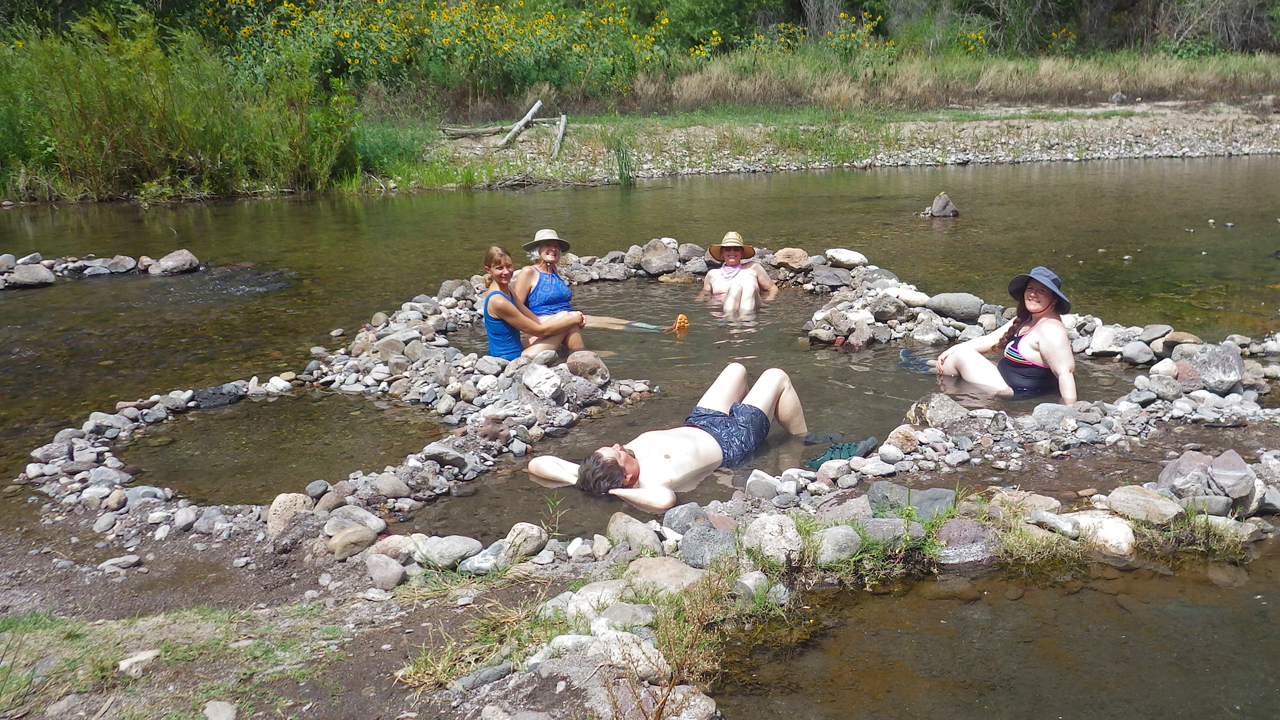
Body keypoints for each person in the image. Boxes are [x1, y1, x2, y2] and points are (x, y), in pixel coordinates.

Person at [527, 363, 808, 512]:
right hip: (733, 440)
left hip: (701, 421)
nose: (617, 445)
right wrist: (615, 492)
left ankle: (760, 409)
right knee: (776, 376)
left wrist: (582, 480)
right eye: (618, 453)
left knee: (736, 369)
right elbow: (664, 501)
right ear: (625, 477)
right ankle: (801, 441)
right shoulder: (648, 484)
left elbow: (538, 464)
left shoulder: (594, 471)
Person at [934, 266, 1077, 403]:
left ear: (1053, 300)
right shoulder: (1024, 320)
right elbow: (990, 340)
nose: (1033, 294)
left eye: (1042, 290)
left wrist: (1070, 410)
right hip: (1004, 380)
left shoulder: (1051, 329)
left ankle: (933, 377)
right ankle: (933, 368)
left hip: (1013, 393)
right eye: (1030, 288)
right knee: (952, 355)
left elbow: (1065, 373)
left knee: (961, 355)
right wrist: (949, 350)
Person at [482, 246, 584, 361]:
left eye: (509, 266)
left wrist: (568, 316)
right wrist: (573, 320)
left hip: (517, 347)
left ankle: (576, 358)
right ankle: (581, 360)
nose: (506, 272)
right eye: (499, 268)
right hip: (509, 358)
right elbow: (540, 331)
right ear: (488, 270)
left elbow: (535, 319)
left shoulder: (507, 290)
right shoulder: (498, 301)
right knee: (569, 325)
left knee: (566, 317)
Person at [513, 229, 585, 352]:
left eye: (556, 246)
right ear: (537, 249)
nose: (553, 249)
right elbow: (516, 308)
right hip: (542, 327)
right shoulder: (528, 272)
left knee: (571, 322)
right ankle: (582, 358)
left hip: (564, 323)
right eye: (548, 245)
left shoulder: (554, 270)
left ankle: (579, 358)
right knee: (571, 323)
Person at [699, 232, 778, 316]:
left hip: (753, 305)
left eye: (736, 249)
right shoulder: (712, 274)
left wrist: (767, 303)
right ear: (722, 253)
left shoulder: (753, 267)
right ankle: (732, 323)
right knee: (735, 288)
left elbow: (772, 289)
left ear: (742, 253)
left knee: (749, 288)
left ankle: (745, 323)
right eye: (728, 249)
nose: (732, 252)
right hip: (722, 308)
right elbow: (705, 294)